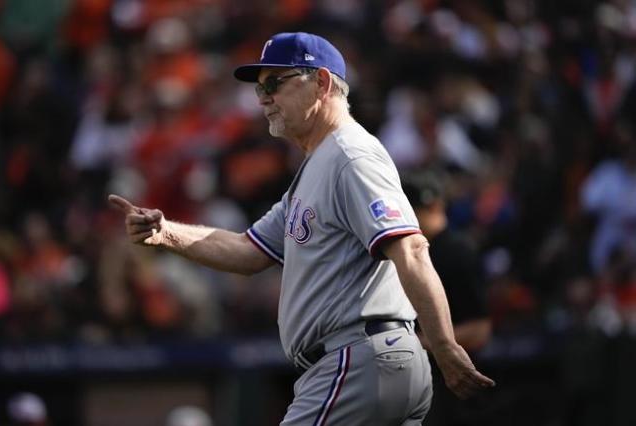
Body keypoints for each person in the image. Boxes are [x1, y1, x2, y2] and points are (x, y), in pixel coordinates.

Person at [109, 32, 494, 425]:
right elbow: (248, 251)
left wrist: (446, 346)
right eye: (260, 88)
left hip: (356, 358)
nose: (262, 98)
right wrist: (167, 233)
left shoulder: (350, 155)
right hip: (371, 359)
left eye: (275, 83)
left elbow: (410, 249)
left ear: (322, 83)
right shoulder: (319, 165)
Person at [401, 170, 492, 425]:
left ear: (435, 205)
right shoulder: (404, 253)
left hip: (454, 389)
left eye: (417, 209)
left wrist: (418, 341)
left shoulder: (458, 252)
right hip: (416, 382)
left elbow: (479, 330)